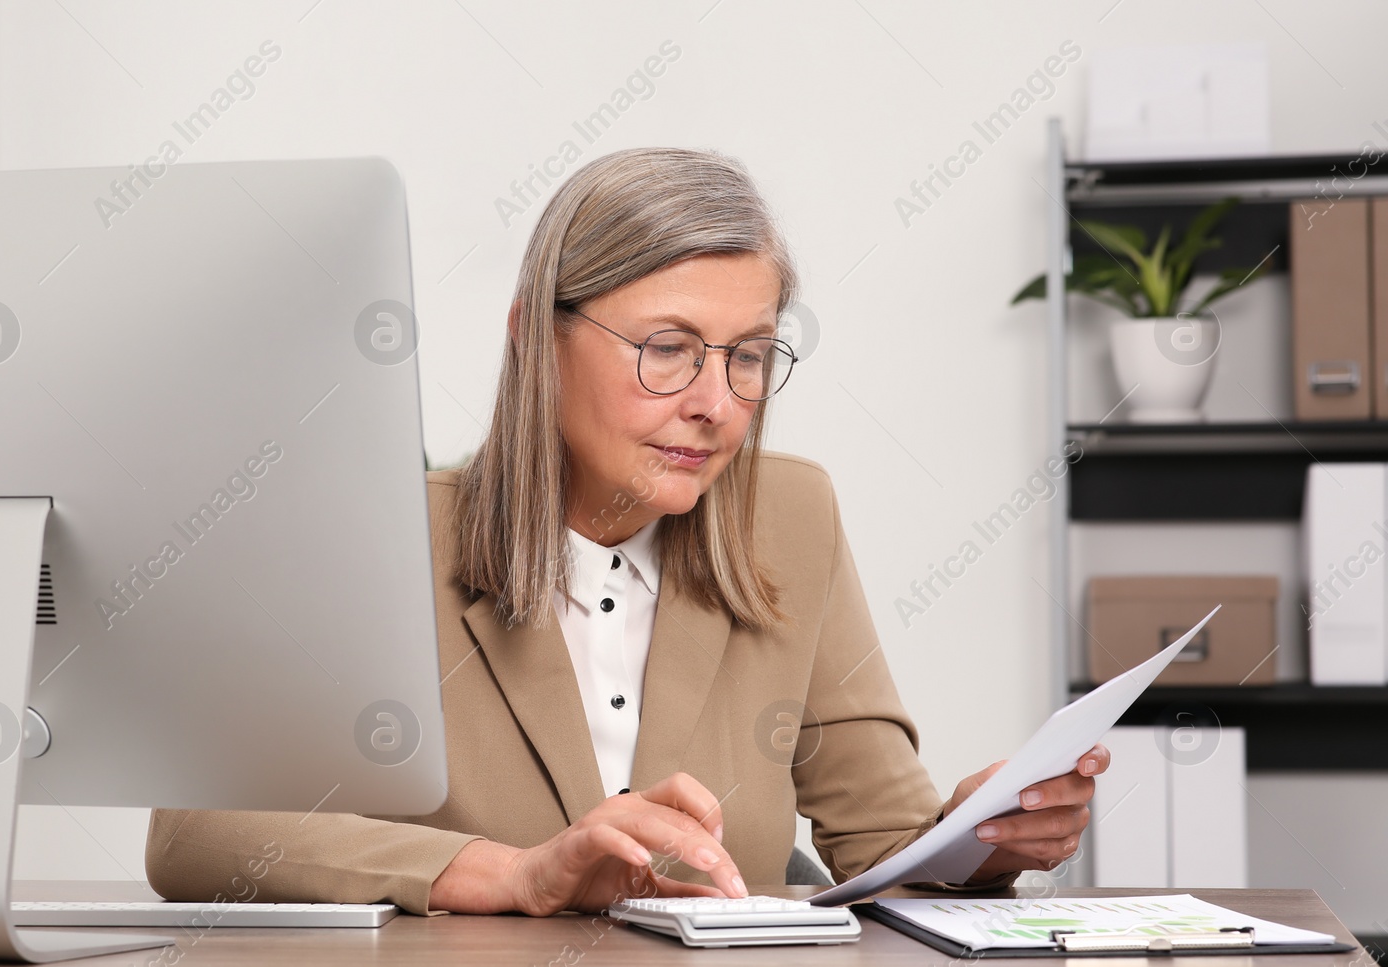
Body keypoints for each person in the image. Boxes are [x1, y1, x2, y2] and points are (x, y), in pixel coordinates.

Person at [145, 146, 1109, 915]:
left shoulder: (792, 516)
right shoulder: (387, 537)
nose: (716, 404)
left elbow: (886, 844)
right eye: (668, 350)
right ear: (534, 335)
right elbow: (197, 832)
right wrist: (513, 873)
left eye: (750, 357)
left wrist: (985, 835)